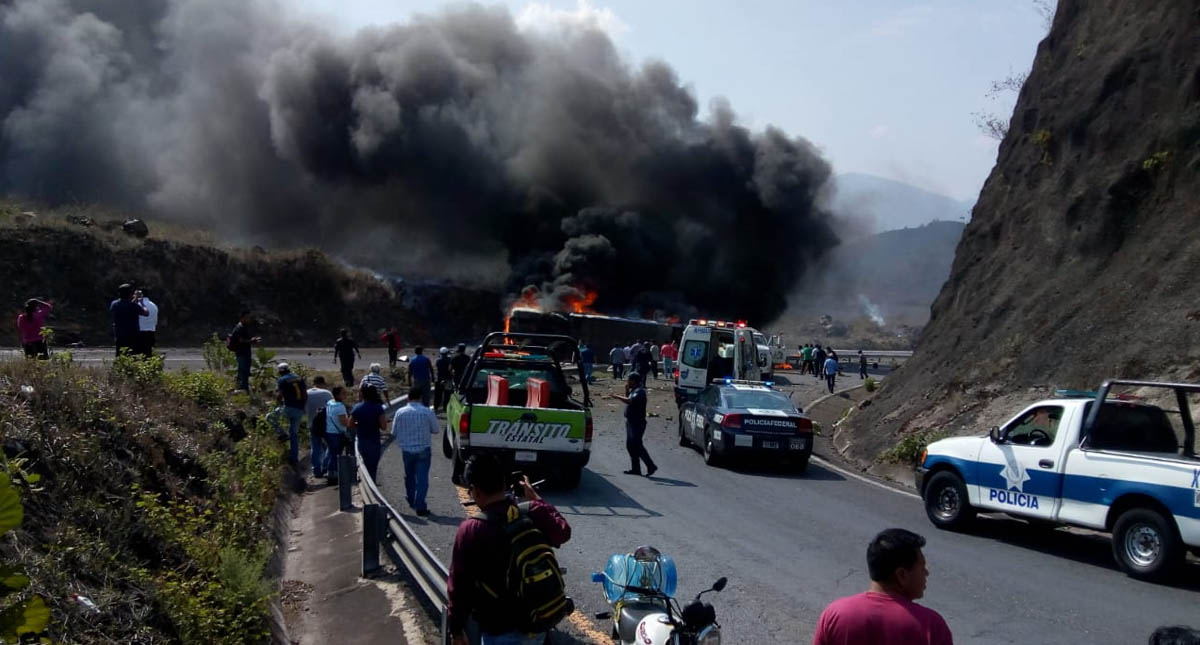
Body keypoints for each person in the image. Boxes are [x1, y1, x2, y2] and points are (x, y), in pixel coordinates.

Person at [448, 454, 572, 645]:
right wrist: (536, 498)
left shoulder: (472, 530)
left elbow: (459, 587)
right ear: (504, 483)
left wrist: (456, 630)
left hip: (499, 629)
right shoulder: (531, 511)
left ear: (476, 491)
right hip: (538, 623)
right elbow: (562, 532)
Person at [812, 528, 952, 645]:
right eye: (922, 566)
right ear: (902, 575)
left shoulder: (836, 614)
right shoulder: (931, 626)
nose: (926, 572)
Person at [391, 385, 440, 516]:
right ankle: (420, 505)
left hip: (407, 449)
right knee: (422, 478)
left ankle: (411, 498)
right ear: (421, 397)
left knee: (409, 475)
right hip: (423, 449)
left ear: (408, 397)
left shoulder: (400, 412)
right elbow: (436, 430)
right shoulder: (427, 412)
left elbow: (393, 432)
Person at [609, 372, 657, 477]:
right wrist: (626, 390)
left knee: (637, 445)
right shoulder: (634, 390)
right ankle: (636, 469)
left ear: (634, 381)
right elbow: (629, 398)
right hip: (631, 421)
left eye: (629, 380)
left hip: (637, 422)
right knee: (630, 445)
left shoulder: (640, 392)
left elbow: (630, 401)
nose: (627, 382)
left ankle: (651, 466)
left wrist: (616, 396)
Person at [351, 384, 388, 481]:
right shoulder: (378, 408)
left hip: (362, 441)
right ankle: (372, 483)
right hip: (374, 441)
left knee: (364, 465)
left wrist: (359, 424)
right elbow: (384, 427)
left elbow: (350, 424)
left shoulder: (357, 408)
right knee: (372, 467)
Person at [276, 363, 308, 466]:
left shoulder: (282, 380)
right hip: (299, 409)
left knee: (270, 417)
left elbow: (279, 395)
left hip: (288, 407)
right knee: (294, 434)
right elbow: (305, 394)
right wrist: (303, 406)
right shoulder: (298, 378)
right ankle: (294, 458)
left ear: (280, 371)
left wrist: (278, 403)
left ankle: (282, 433)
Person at [305, 376, 334, 479]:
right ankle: (325, 466)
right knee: (330, 446)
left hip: (312, 424)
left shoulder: (306, 393)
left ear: (314, 383)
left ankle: (316, 470)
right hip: (326, 424)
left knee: (315, 447)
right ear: (323, 383)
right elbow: (333, 408)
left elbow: (303, 409)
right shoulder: (327, 393)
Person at [109, 283, 148, 356]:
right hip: (133, 335)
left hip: (119, 335)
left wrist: (134, 299)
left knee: (120, 355)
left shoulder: (114, 304)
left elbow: (126, 304)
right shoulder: (133, 305)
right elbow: (146, 313)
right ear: (130, 294)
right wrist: (142, 303)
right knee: (133, 355)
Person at [323, 386, 351, 484]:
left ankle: (326, 469)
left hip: (329, 431)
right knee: (335, 454)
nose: (345, 395)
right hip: (336, 433)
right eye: (343, 393)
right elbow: (344, 422)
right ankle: (332, 475)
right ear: (337, 395)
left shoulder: (330, 402)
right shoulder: (340, 406)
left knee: (331, 452)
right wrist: (352, 422)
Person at [229, 310, 260, 391]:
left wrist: (252, 340)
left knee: (243, 372)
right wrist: (251, 341)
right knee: (244, 372)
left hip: (245, 352)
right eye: (247, 317)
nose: (249, 319)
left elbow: (244, 340)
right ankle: (244, 390)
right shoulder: (239, 327)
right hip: (241, 353)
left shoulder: (243, 327)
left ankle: (239, 388)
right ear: (242, 318)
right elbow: (241, 340)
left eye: (250, 317)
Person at [135, 288, 158, 357]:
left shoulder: (137, 305)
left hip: (139, 333)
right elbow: (155, 321)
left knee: (138, 355)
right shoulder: (154, 305)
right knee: (148, 355)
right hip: (151, 332)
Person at [435, 347, 453, 412]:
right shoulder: (449, 360)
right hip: (447, 379)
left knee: (438, 394)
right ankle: (445, 408)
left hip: (439, 379)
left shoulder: (438, 360)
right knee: (447, 394)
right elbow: (450, 369)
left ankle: (436, 407)